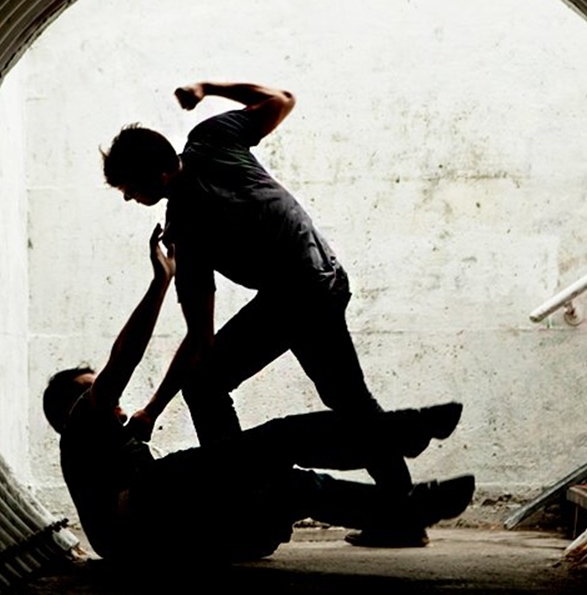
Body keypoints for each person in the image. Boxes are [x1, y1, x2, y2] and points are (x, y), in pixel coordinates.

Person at [101, 81, 425, 547]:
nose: (128, 197)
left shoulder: (191, 212)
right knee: (343, 399)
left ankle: (244, 504)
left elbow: (200, 340)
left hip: (306, 291)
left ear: (158, 173)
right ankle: (259, 500)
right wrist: (207, 89)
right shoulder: (210, 143)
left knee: (214, 384)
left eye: (129, 187)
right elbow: (282, 100)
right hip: (306, 286)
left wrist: (152, 410)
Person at [44, 224, 476, 563]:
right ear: (71, 412)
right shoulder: (80, 432)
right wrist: (161, 282)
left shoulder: (111, 450)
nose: (109, 398)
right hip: (151, 522)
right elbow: (125, 357)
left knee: (291, 485)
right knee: (277, 439)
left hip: (209, 537)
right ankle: (399, 432)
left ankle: (407, 509)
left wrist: (149, 417)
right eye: (92, 392)